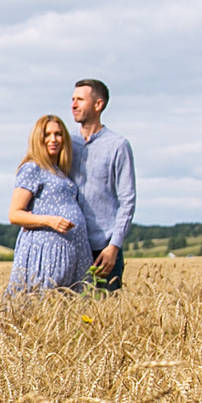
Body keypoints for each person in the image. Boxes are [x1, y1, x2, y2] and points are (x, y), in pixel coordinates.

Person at [6, 114, 88, 295]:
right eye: (47, 134)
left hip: (71, 252)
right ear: (38, 138)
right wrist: (50, 221)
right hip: (46, 253)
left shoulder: (59, 171)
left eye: (58, 134)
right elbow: (15, 214)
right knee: (41, 303)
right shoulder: (32, 168)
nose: (53, 139)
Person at [68, 78, 135, 293]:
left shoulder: (118, 145)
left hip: (103, 250)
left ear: (98, 105)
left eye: (80, 99)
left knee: (105, 318)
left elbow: (128, 200)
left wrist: (113, 247)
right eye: (72, 99)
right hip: (70, 246)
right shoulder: (65, 144)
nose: (73, 105)